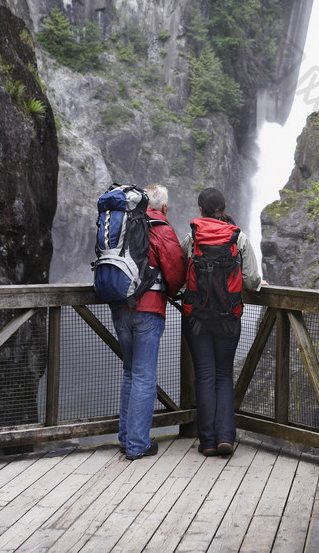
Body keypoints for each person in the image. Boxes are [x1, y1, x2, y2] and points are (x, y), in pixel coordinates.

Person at [181, 186, 263, 458]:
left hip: (197, 318)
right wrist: (256, 285)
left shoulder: (191, 238)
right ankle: (226, 438)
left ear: (200, 209)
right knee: (223, 376)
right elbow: (251, 279)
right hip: (229, 316)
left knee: (204, 376)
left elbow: (181, 274)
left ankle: (206, 441)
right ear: (224, 207)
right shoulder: (238, 238)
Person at [110, 183, 186, 460]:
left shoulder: (125, 223)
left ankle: (125, 439)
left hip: (120, 306)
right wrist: (173, 291)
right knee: (143, 375)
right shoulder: (161, 228)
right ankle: (138, 444)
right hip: (148, 310)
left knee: (130, 372)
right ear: (163, 207)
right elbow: (176, 270)